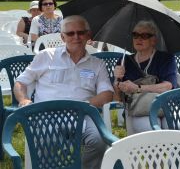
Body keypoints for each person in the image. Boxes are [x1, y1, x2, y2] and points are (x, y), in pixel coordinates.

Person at [14, 15, 113, 169]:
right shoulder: (46, 56)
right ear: (62, 36)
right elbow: (21, 82)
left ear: (88, 35)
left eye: (81, 32)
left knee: (99, 140)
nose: (76, 37)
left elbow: (107, 94)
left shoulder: (97, 64)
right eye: (70, 33)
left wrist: (85, 105)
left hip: (84, 114)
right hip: (48, 115)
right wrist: (23, 100)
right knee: (46, 142)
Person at [113, 20, 177, 135]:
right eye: (135, 35)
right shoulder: (124, 61)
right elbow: (117, 99)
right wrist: (117, 80)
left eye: (144, 36)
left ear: (153, 40)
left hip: (165, 107)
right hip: (139, 110)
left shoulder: (165, 58)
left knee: (174, 130)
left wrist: (137, 88)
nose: (139, 39)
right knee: (152, 130)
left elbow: (168, 86)